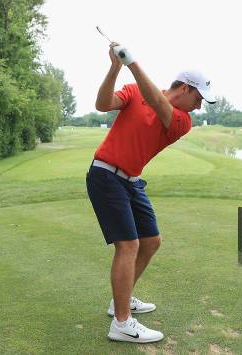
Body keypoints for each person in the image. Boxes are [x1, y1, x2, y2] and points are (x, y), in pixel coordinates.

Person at [86, 42, 216, 343]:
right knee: (128, 245)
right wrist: (115, 67)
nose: (199, 106)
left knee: (151, 240)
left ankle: (121, 298)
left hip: (131, 181)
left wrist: (132, 62)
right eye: (198, 98)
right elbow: (102, 104)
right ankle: (121, 322)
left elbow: (158, 104)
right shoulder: (133, 92)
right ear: (184, 87)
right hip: (105, 174)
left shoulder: (183, 121)